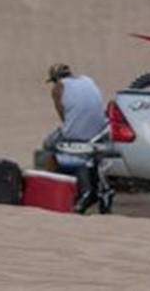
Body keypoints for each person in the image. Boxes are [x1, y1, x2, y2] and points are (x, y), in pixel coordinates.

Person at [42, 63, 109, 212]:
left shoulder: (58, 88)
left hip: (79, 135)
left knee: (48, 145)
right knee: (88, 154)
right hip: (101, 131)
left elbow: (64, 117)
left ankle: (52, 187)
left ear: (55, 78)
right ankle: (98, 188)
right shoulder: (88, 80)